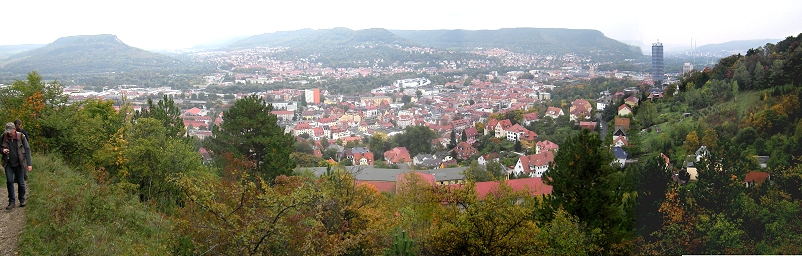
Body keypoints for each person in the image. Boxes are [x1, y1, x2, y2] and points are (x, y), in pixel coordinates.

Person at [2, 122, 31, 210]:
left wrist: (29, 164)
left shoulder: (21, 137)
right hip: (8, 164)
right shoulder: (3, 137)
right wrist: (2, 150)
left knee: (21, 183)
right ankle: (11, 202)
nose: (9, 133)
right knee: (10, 181)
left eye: (10, 131)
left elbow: (27, 150)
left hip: (19, 163)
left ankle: (22, 199)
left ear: (14, 129)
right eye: (7, 131)